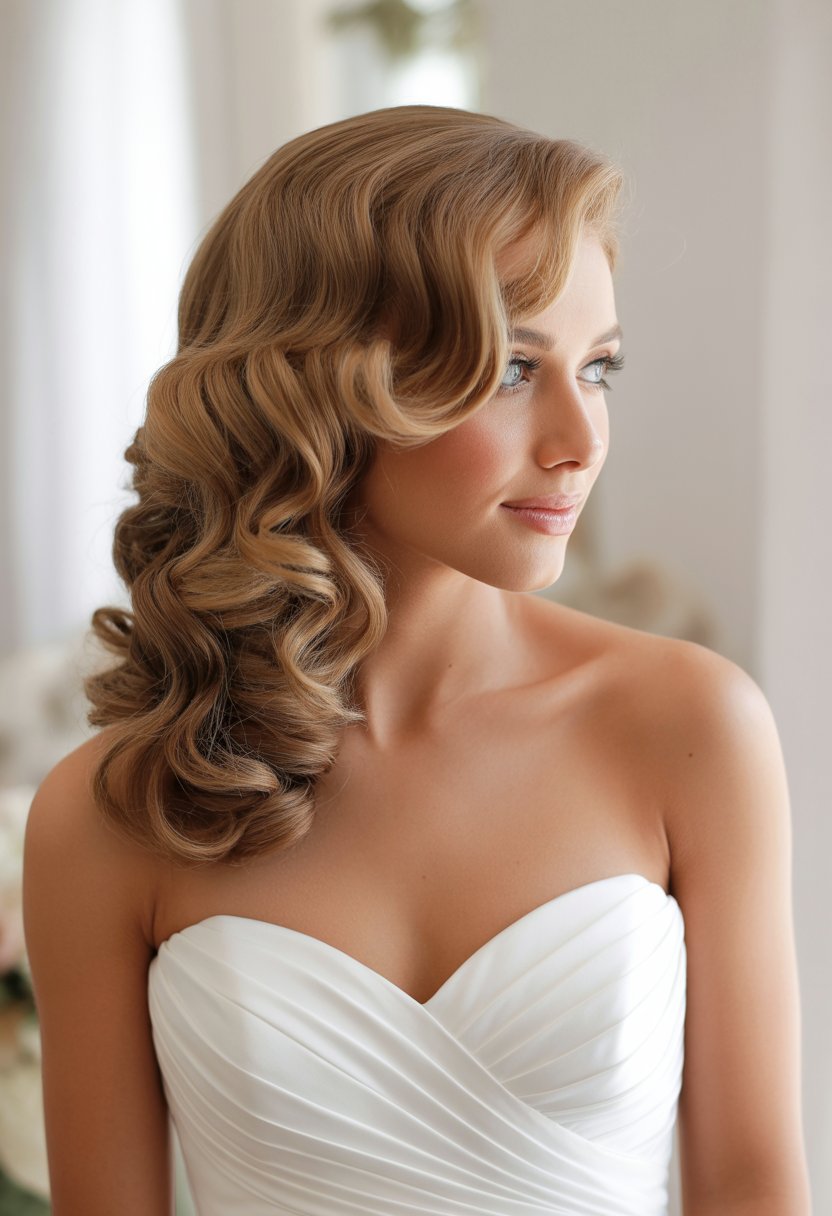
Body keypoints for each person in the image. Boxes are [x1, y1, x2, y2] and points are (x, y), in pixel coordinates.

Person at [22, 105, 810, 1215]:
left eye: (598, 368)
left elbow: (753, 1182)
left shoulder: (685, 723)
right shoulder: (112, 813)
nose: (580, 440)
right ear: (319, 389)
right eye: (508, 368)